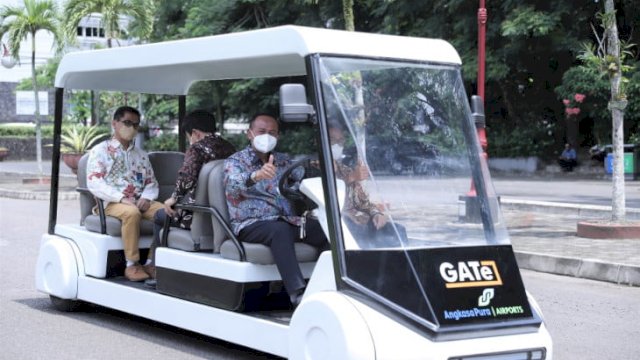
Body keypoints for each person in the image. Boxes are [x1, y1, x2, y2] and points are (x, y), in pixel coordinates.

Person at [224, 114, 329, 306]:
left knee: (325, 228)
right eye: (261, 132)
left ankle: (328, 285)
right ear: (250, 134)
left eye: (272, 133)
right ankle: (298, 293)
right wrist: (256, 176)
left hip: (286, 220)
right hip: (251, 223)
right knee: (278, 230)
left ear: (278, 136)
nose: (267, 136)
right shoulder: (235, 161)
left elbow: (300, 179)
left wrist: (317, 170)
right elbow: (233, 185)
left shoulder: (283, 160)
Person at [146, 110, 237, 280]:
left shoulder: (197, 148)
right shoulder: (229, 147)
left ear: (194, 133)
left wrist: (173, 198)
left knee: (160, 215)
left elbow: (187, 177)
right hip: (225, 215)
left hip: (199, 214)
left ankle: (156, 267)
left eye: (189, 135)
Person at [86, 106, 164, 282]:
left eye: (136, 125)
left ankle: (152, 262)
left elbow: (151, 182)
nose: (132, 128)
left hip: (139, 201)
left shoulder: (141, 155)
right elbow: (94, 181)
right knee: (131, 212)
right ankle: (131, 264)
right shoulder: (100, 151)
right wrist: (121, 198)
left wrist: (146, 197)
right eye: (127, 123)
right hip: (110, 203)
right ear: (115, 123)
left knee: (165, 212)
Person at [328, 125, 407, 248]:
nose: (337, 145)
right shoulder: (312, 167)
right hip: (333, 223)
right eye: (333, 140)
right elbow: (326, 194)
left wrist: (376, 214)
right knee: (361, 233)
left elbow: (363, 202)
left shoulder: (345, 170)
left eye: (341, 141)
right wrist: (351, 178)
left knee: (397, 231)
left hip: (357, 221)